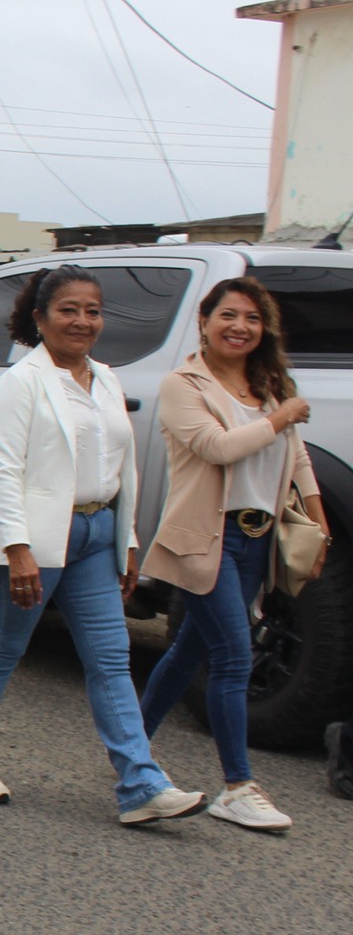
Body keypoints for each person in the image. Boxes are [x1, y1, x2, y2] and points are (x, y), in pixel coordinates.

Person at [0, 265, 204, 824]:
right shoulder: (24, 380)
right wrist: (18, 549)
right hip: (34, 539)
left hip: (95, 533)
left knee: (111, 659)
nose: (83, 321)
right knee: (2, 652)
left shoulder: (105, 378)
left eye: (93, 311)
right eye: (69, 310)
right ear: (40, 318)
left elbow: (122, 465)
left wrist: (127, 539)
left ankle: (141, 784)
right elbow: (6, 469)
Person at [138, 278, 327, 832]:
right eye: (228, 315)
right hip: (205, 537)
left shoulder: (269, 384)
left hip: (256, 539)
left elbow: (297, 459)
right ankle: (237, 787)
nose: (240, 327)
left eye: (252, 318)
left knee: (189, 651)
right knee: (233, 655)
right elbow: (217, 448)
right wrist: (282, 416)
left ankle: (130, 747)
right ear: (204, 321)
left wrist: (319, 521)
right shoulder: (183, 384)